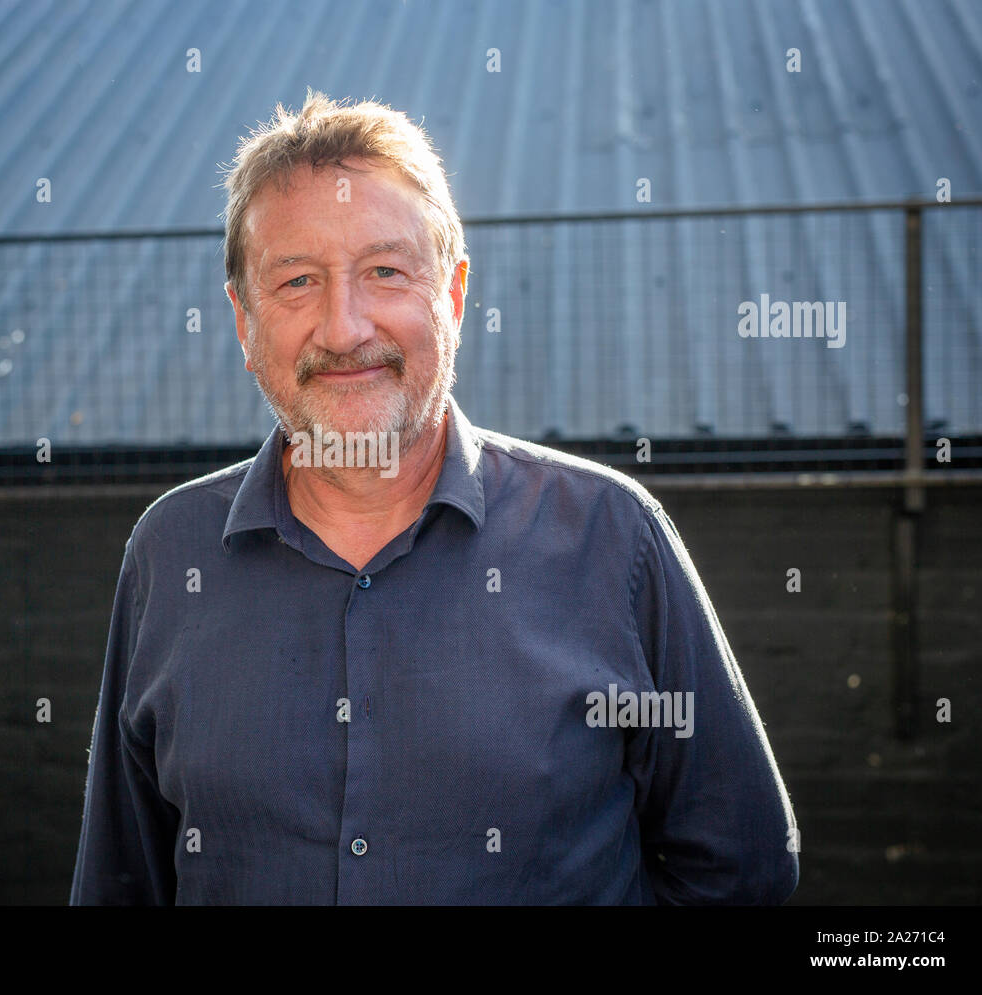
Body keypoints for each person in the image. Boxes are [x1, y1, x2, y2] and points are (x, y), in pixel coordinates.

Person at [70, 91, 799, 905]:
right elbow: (120, 878)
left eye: (385, 271)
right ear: (243, 321)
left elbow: (739, 868)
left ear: (452, 296)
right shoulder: (169, 555)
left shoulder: (612, 540)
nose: (344, 328)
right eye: (299, 281)